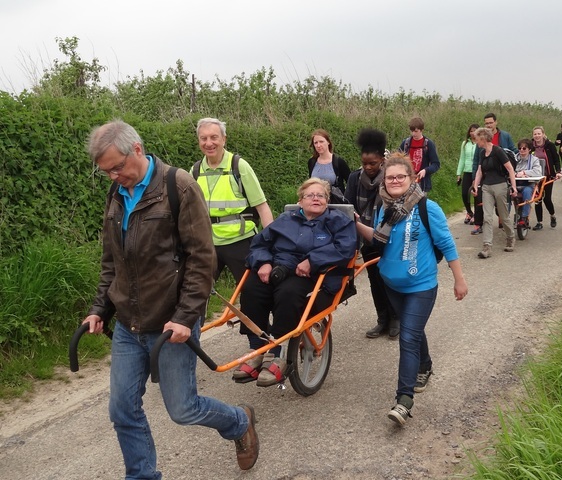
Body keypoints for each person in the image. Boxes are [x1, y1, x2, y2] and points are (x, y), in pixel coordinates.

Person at [82, 120, 259, 477]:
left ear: (136, 149)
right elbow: (111, 258)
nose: (114, 176)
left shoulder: (177, 185)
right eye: (107, 172)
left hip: (171, 322)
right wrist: (101, 306)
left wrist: (186, 315)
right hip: (128, 324)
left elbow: (201, 258)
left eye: (118, 167)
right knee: (122, 410)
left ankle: (239, 422)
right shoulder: (117, 194)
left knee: (183, 410)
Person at [354, 153, 468, 425]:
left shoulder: (429, 208)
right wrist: (355, 223)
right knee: (411, 328)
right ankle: (425, 366)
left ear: (412, 178)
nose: (394, 181)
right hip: (391, 283)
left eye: (400, 177)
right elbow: (380, 239)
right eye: (390, 177)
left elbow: (448, 246)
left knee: (407, 337)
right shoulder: (384, 208)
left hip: (421, 284)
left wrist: (459, 279)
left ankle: (403, 400)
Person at [232, 178, 357, 387]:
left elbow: (346, 248)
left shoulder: (338, 221)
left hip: (311, 275)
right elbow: (259, 244)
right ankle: (257, 347)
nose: (316, 198)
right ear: (300, 201)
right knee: (252, 288)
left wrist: (313, 261)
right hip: (276, 267)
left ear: (327, 201)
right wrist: (263, 263)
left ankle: (277, 351)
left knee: (288, 294)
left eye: (321, 195)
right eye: (310, 195)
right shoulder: (285, 220)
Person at [192, 117, 274, 284]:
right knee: (196, 291)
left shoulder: (239, 166)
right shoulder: (195, 171)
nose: (209, 143)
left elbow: (262, 207)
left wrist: (270, 244)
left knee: (252, 292)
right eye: (204, 138)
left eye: (214, 137)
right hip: (208, 242)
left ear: (224, 139)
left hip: (240, 240)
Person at [345, 129, 399, 339]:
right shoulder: (353, 178)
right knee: (374, 280)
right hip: (366, 238)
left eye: (373, 163)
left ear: (382, 161)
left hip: (388, 238)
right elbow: (349, 208)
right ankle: (382, 319)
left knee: (389, 279)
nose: (368, 167)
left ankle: (396, 318)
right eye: (365, 163)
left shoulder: (391, 179)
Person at [471, 127, 518, 258]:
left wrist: (513, 187)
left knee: (503, 216)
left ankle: (510, 237)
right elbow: (480, 171)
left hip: (500, 186)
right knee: (487, 217)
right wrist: (475, 186)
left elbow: (509, 169)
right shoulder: (481, 153)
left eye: (477, 139)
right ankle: (487, 247)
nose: (476, 142)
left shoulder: (498, 151)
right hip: (486, 187)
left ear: (483, 138)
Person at [531, 126, 562, 230]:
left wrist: (558, 171)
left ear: (543, 134)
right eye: (535, 134)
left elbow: (556, 160)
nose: (537, 136)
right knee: (537, 199)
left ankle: (552, 216)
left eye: (539, 134)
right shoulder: (531, 146)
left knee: (547, 199)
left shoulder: (550, 145)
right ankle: (539, 222)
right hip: (535, 177)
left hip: (548, 176)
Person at [308, 129, 351, 203]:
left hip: (335, 203)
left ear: (328, 142)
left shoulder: (338, 162)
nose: (318, 145)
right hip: (316, 202)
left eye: (321, 141)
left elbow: (351, 183)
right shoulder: (312, 162)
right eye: (316, 143)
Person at [399, 116, 441, 192]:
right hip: (407, 180)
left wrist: (425, 170)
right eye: (411, 131)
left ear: (422, 130)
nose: (413, 134)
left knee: (421, 203)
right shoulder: (406, 143)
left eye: (416, 131)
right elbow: (397, 160)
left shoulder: (428, 144)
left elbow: (436, 164)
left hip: (422, 183)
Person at [513, 139, 543, 226]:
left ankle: (524, 217)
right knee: (506, 192)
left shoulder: (534, 160)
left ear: (529, 149)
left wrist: (525, 173)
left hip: (528, 184)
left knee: (527, 192)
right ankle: (505, 216)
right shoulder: (514, 159)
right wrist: (515, 174)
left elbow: (538, 172)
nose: (521, 150)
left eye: (524, 148)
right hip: (515, 184)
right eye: (519, 148)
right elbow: (509, 169)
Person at [456, 123, 479, 225]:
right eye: (471, 131)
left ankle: (477, 215)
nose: (472, 133)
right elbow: (462, 158)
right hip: (467, 171)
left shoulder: (480, 143)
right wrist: (458, 173)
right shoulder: (465, 143)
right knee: (465, 193)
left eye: (474, 130)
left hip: (477, 172)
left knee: (476, 194)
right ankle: (470, 212)